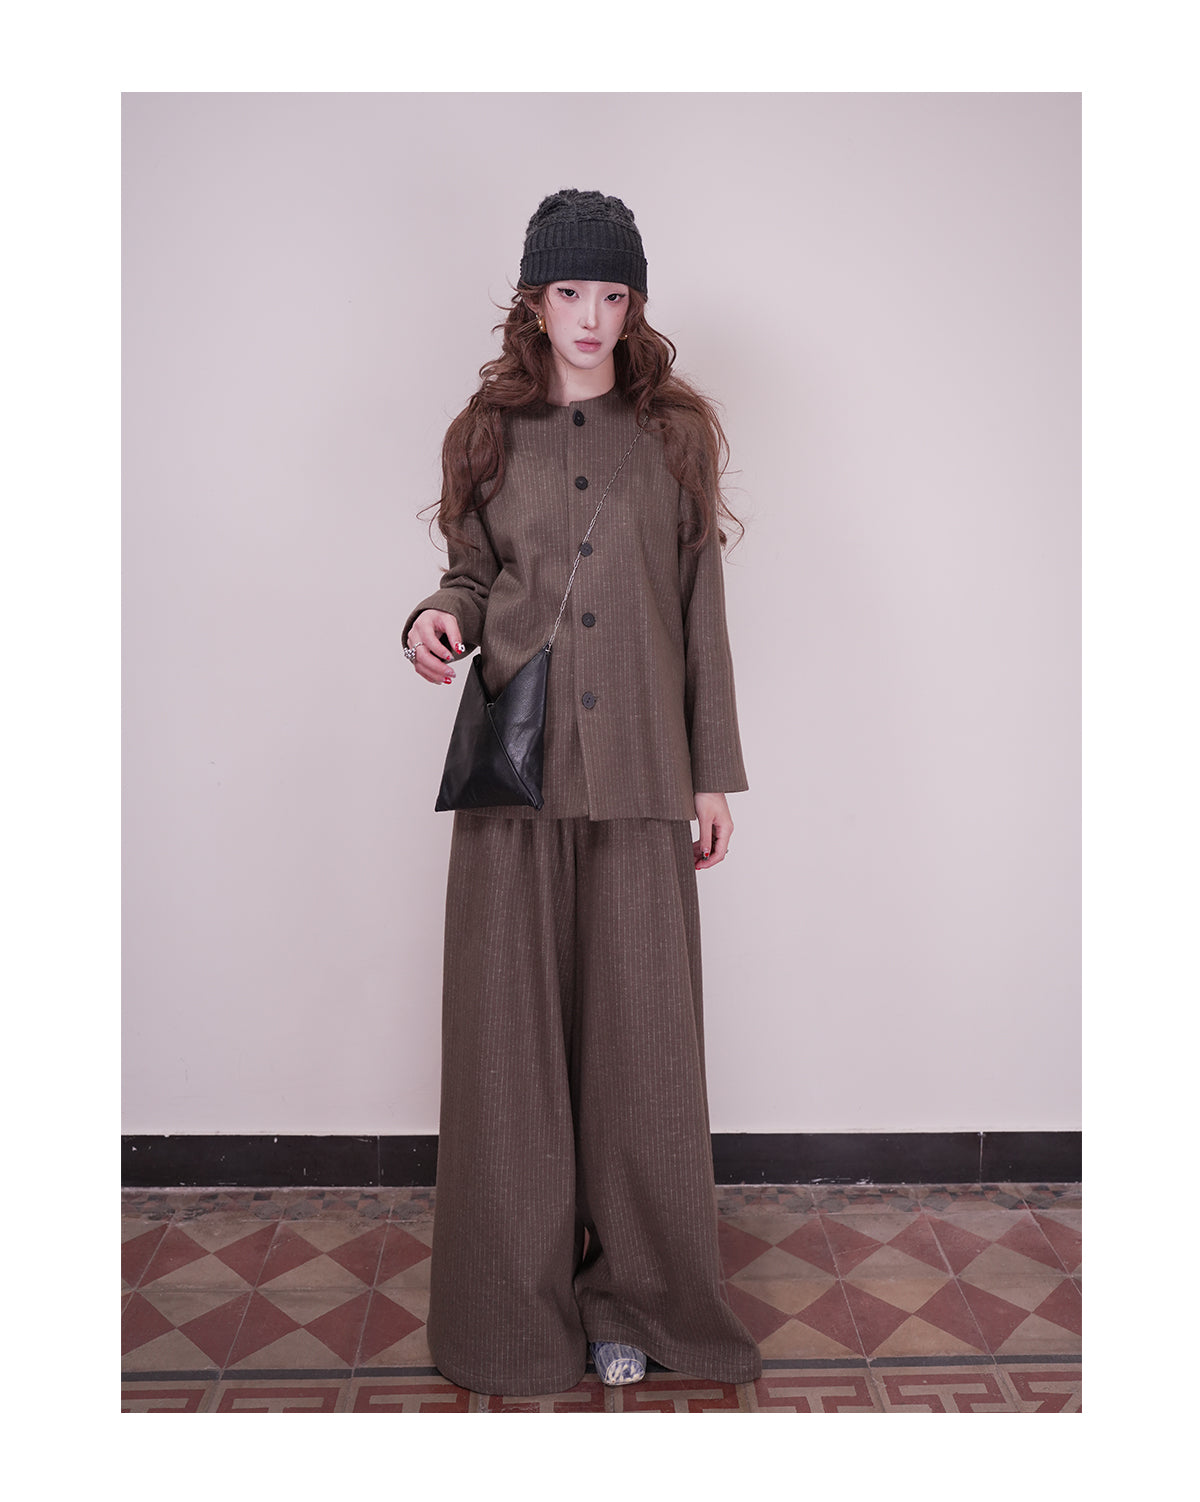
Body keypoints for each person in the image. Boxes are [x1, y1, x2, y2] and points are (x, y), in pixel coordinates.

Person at [402, 188, 761, 1397]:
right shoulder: (483, 432)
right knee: (508, 1058)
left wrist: (712, 773)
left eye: (613, 293)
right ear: (535, 300)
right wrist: (439, 617)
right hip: (517, 780)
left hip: (647, 776)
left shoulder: (675, 435)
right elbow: (471, 570)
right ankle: (516, 1315)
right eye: (570, 291)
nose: (592, 316)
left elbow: (701, 606)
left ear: (636, 302)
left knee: (644, 1059)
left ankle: (639, 1301)